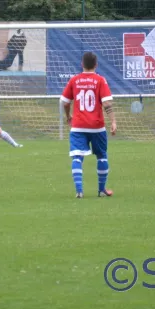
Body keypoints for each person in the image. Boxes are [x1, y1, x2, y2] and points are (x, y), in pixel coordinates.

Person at [60, 51, 116, 198]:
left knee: (77, 157)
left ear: (82, 64)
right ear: (96, 65)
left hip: (78, 125)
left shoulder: (74, 80)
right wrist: (113, 121)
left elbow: (65, 102)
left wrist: (68, 116)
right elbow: (107, 103)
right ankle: (101, 190)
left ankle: (79, 190)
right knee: (102, 156)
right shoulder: (100, 80)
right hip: (97, 126)